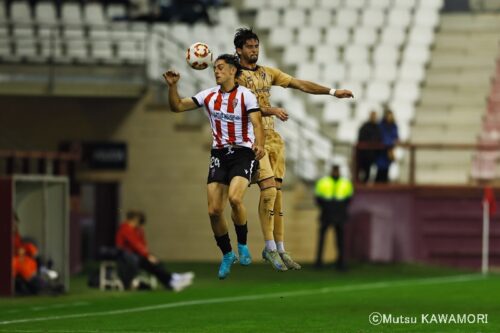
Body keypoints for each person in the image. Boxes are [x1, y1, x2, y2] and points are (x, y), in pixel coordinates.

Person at [233, 27, 354, 271]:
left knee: (277, 196)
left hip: (273, 138)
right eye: (249, 47)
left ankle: (279, 247)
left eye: (256, 46)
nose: (254, 50)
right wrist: (271, 109)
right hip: (251, 139)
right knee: (267, 193)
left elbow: (298, 84)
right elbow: (239, 107)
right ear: (238, 50)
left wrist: (332, 92)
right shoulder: (233, 76)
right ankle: (268, 248)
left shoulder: (268, 73)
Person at [163, 54, 265, 279]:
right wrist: (173, 87)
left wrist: (259, 144)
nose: (216, 71)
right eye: (215, 68)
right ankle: (227, 253)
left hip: (242, 153)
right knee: (213, 211)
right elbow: (177, 106)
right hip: (219, 154)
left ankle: (244, 245)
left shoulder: (246, 95)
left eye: (220, 68)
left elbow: (257, 123)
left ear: (232, 71)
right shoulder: (208, 95)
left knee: (236, 199)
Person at [115, 210, 194, 291]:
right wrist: (147, 255)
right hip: (128, 258)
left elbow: (142, 244)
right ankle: (172, 279)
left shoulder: (136, 230)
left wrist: (141, 233)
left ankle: (172, 281)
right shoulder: (125, 228)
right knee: (152, 264)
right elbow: (135, 244)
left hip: (137, 256)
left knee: (157, 263)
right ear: (134, 219)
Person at [314, 165, 354, 271]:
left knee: (340, 240)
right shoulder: (323, 182)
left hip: (340, 213)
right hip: (327, 213)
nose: (336, 172)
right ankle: (319, 262)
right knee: (322, 239)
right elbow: (318, 198)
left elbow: (349, 199)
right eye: (334, 170)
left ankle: (341, 262)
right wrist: (328, 207)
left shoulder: (346, 183)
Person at [357, 111, 382, 183]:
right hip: (365, 156)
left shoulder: (378, 128)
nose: (374, 117)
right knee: (364, 175)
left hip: (375, 155)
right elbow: (361, 139)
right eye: (372, 116)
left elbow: (380, 139)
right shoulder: (365, 127)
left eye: (375, 116)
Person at [375, 108, 399, 183]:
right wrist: (389, 146)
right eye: (389, 116)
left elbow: (396, 137)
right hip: (381, 153)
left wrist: (391, 147)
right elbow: (382, 137)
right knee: (380, 172)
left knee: (386, 172)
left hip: (388, 154)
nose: (390, 117)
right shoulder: (381, 125)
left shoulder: (394, 126)